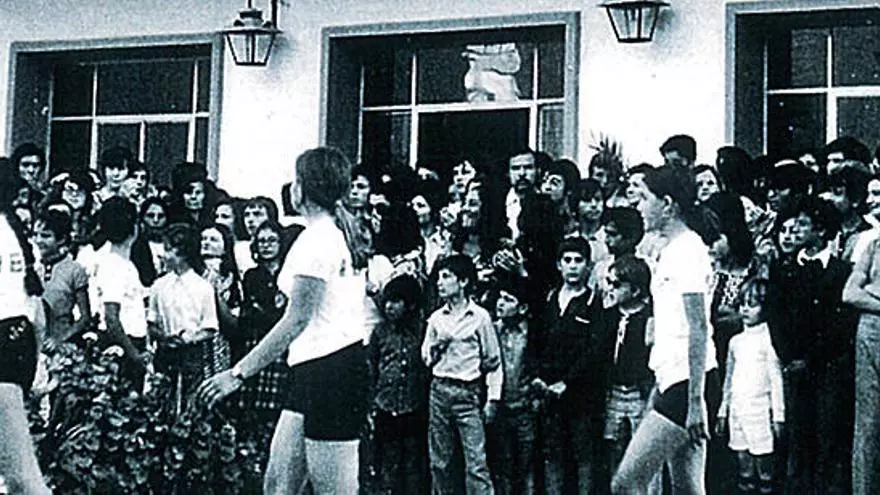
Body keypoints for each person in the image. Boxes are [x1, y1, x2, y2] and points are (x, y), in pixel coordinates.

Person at [196, 147, 371, 494]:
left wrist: (237, 374)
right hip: (311, 372)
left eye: (296, 178)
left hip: (333, 373)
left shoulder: (318, 241)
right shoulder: (323, 235)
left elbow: (296, 320)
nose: (292, 186)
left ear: (305, 188)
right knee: (278, 484)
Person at [612, 166, 720, 495]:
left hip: (688, 385)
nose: (639, 206)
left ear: (668, 204)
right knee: (688, 489)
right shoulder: (671, 251)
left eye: (645, 198)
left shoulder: (689, 251)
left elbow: (698, 327)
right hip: (673, 381)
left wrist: (695, 402)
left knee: (626, 483)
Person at [422, 254, 501, 494]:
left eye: (447, 277)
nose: (440, 283)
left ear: (463, 281)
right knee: (440, 462)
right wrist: (438, 345)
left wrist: (493, 398)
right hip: (440, 391)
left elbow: (493, 361)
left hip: (468, 393)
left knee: (476, 461)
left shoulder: (480, 318)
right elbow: (426, 359)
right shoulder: (436, 319)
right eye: (439, 277)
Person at [530, 236, 603, 493]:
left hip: (581, 397)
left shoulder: (594, 303)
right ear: (559, 265)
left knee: (583, 457)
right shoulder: (549, 299)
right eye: (567, 260)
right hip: (548, 394)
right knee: (553, 456)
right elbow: (536, 340)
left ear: (588, 266)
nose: (572, 266)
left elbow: (594, 351)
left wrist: (567, 382)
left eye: (578, 260)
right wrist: (538, 376)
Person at [0, 161, 50, 495]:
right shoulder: (15, 232)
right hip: (21, 340)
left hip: (3, 341)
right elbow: (38, 314)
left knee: (22, 475)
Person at [716, 278, 785, 495]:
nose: (745, 309)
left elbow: (776, 380)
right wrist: (723, 411)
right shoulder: (735, 342)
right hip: (738, 410)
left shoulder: (768, 341)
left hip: (760, 412)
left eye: (752, 304)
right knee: (743, 462)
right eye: (742, 304)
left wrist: (778, 416)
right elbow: (729, 379)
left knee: (764, 465)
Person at [597, 254, 654, 491]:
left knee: (642, 451)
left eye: (616, 284)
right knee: (614, 449)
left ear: (636, 290)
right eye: (608, 282)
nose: (610, 288)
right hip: (614, 392)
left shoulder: (649, 319)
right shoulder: (609, 316)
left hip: (639, 393)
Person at [369, 274, 428, 494]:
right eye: (386, 301)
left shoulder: (422, 331)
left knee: (413, 463)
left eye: (396, 301)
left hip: (414, 408)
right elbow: (372, 369)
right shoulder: (380, 332)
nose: (389, 307)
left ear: (410, 305)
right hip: (386, 408)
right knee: (387, 461)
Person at [147, 223, 219, 401]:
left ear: (183, 253)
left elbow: (210, 328)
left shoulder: (203, 288)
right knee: (162, 398)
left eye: (168, 249)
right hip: (165, 352)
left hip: (192, 355)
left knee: (191, 399)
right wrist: (164, 337)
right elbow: (151, 322)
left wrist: (188, 338)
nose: (163, 255)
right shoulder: (159, 285)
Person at [88, 197, 150, 387]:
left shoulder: (124, 264)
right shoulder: (114, 265)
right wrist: (134, 354)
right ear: (134, 229)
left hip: (129, 342)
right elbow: (111, 317)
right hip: (121, 346)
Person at [486, 274, 534, 495]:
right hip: (500, 409)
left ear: (522, 308)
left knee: (527, 466)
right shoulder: (492, 330)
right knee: (502, 466)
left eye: (508, 300)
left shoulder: (531, 334)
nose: (501, 303)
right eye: (500, 298)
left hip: (525, 409)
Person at [33, 209, 92, 349]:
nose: (38, 240)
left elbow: (85, 318)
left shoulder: (74, 269)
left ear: (61, 239)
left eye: (46, 236)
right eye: (35, 235)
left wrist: (59, 339)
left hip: (60, 344)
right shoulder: (32, 267)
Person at [505, 149, 539, 241]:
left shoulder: (546, 204)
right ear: (508, 173)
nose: (522, 173)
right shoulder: (496, 204)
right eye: (515, 168)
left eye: (528, 167)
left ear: (538, 171)